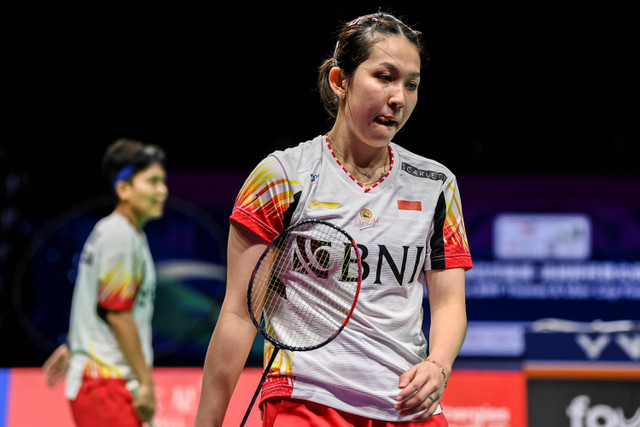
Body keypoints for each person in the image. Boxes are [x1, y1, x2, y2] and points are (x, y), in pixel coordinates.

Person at [194, 11, 471, 427]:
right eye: (384, 76)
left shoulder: (435, 184)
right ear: (340, 81)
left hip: (406, 405)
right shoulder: (282, 177)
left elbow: (449, 302)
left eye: (411, 84)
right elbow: (238, 313)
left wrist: (439, 365)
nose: (399, 97)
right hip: (306, 401)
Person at [42, 138, 168, 427]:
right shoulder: (119, 237)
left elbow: (93, 301)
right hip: (106, 384)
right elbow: (117, 313)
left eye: (162, 181)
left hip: (107, 381)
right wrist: (146, 383)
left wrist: (74, 344)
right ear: (123, 189)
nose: (163, 191)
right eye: (152, 182)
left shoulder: (121, 233)